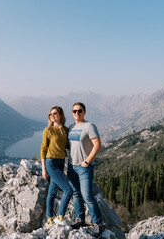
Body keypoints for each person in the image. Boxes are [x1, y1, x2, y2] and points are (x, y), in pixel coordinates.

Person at [67, 102, 104, 238]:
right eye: (74, 111)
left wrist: (87, 161)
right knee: (76, 194)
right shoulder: (71, 127)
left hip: (84, 167)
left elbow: (97, 145)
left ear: (84, 112)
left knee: (87, 195)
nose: (77, 113)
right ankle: (80, 219)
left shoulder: (89, 126)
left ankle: (98, 223)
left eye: (79, 111)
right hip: (71, 166)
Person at [41, 106, 73, 225]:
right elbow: (43, 149)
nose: (52, 115)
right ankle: (60, 215)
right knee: (68, 190)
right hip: (51, 163)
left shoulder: (65, 129)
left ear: (60, 115)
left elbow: (68, 146)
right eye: (50, 114)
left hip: (61, 162)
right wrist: (44, 169)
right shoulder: (48, 130)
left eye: (54, 113)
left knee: (52, 191)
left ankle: (49, 217)